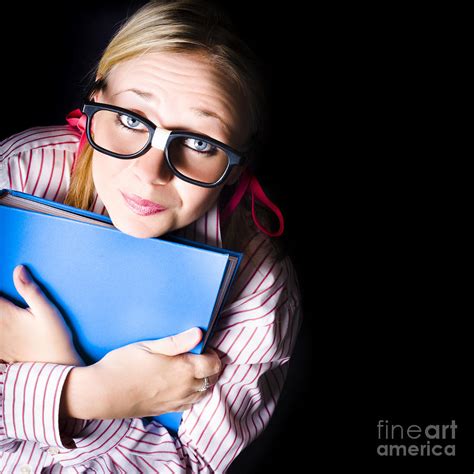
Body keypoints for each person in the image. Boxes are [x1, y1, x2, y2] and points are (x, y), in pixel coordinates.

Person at [0, 1, 302, 472]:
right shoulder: (18, 173)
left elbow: (190, 465)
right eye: (130, 119)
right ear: (95, 102)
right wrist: (84, 392)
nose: (149, 172)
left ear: (239, 160)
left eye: (201, 142)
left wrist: (90, 399)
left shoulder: (261, 290)